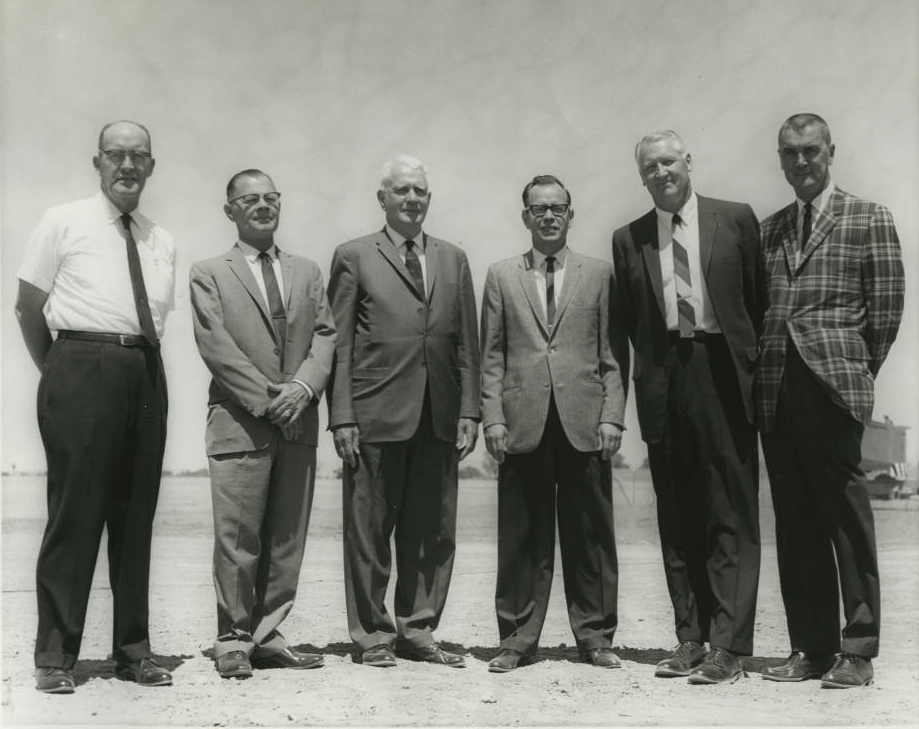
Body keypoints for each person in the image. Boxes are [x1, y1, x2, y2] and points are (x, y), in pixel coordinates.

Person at [15, 120, 176, 693]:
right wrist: (61, 374)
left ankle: (134, 651)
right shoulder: (63, 220)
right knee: (75, 515)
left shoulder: (162, 239)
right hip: (80, 366)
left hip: (145, 372)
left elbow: (151, 321)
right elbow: (28, 307)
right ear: (98, 162)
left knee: (135, 521)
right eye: (116, 155)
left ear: (152, 167)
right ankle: (55, 657)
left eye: (139, 157)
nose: (127, 166)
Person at [757, 113, 905, 688]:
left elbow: (886, 313)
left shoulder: (869, 217)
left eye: (810, 151)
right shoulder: (769, 231)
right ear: (780, 158)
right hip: (776, 392)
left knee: (846, 519)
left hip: (834, 390)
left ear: (830, 152)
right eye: (790, 153)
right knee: (795, 523)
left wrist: (851, 373)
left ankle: (859, 649)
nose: (801, 162)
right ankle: (810, 648)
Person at [611, 130, 763, 684]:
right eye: (649, 166)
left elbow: (756, 299)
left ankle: (729, 646)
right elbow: (630, 323)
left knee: (729, 512)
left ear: (689, 162)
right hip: (664, 379)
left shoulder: (736, 219)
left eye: (669, 162)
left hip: (722, 369)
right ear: (641, 175)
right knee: (677, 515)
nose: (661, 173)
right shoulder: (627, 239)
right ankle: (690, 638)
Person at [327, 155, 480, 668]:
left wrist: (470, 410)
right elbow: (340, 342)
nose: (411, 199)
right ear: (383, 198)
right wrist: (342, 415)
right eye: (401, 191)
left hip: (438, 415)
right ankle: (373, 635)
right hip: (374, 414)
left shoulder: (454, 258)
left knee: (432, 532)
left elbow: (467, 345)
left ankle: (418, 629)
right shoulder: (353, 255)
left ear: (428, 199)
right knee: (369, 530)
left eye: (419, 191)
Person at [189, 169, 336, 679]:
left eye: (271, 197)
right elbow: (215, 346)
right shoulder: (209, 272)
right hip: (239, 422)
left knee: (285, 537)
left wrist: (303, 389)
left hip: (299, 419)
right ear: (230, 210)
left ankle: (268, 634)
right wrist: (267, 399)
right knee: (238, 538)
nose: (262, 205)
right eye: (249, 199)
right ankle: (232, 639)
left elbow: (325, 335)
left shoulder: (308, 271)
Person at [480, 175, 626, 673]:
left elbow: (612, 357)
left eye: (557, 208)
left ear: (570, 214)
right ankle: (517, 639)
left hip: (585, 423)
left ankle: (596, 637)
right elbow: (492, 357)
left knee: (591, 536)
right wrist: (493, 418)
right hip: (522, 423)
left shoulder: (600, 274)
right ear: (525, 216)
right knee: (521, 536)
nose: (548, 216)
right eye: (538, 208)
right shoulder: (501, 276)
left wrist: (612, 416)